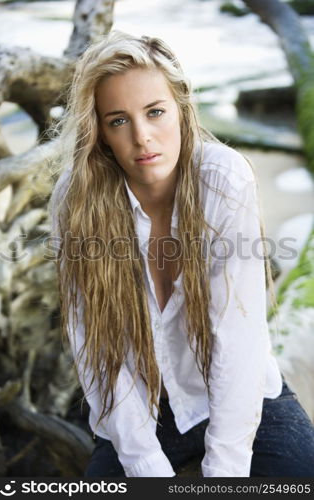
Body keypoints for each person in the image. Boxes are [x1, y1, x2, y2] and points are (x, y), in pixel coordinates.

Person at [49, 30, 314, 477]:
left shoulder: (222, 180)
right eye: (118, 120)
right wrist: (148, 466)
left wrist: (224, 473)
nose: (142, 137)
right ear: (99, 133)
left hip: (238, 397)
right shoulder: (75, 202)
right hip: (140, 414)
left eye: (155, 112)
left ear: (181, 108)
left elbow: (238, 338)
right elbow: (97, 354)